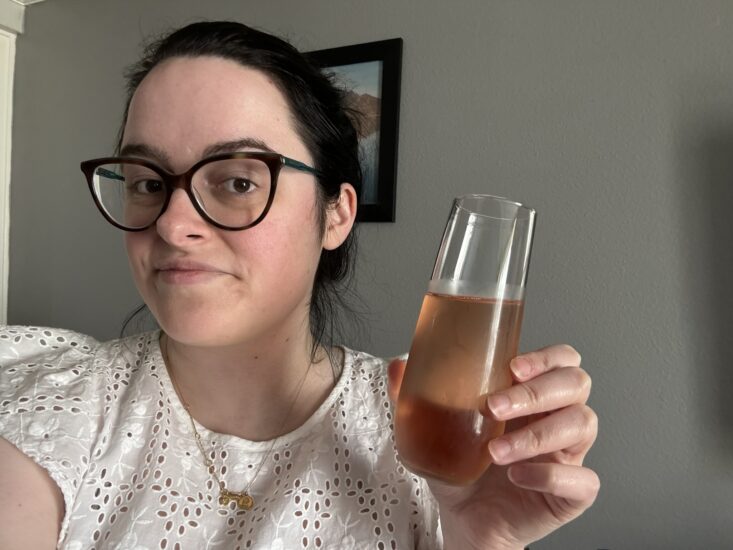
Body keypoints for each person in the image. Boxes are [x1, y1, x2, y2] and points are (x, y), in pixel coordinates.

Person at [0, 21, 599, 549]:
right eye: (146, 181)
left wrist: (480, 541)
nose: (172, 224)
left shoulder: (426, 435)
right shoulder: (51, 411)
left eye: (237, 182)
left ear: (336, 214)